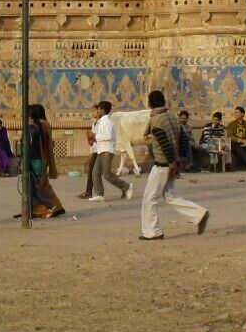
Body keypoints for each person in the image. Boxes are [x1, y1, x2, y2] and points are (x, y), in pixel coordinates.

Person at [136, 88, 208, 240]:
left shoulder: (155, 120)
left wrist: (171, 164)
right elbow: (183, 139)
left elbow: (164, 143)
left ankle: (152, 231)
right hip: (173, 162)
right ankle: (199, 214)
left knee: (150, 198)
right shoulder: (173, 117)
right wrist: (181, 159)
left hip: (163, 164)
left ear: (150, 103)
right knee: (169, 195)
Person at [20, 103, 67, 219]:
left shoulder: (37, 126)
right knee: (43, 185)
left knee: (37, 186)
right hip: (43, 157)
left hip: (38, 158)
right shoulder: (45, 125)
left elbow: (35, 145)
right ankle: (54, 207)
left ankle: (46, 208)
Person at [82, 99, 128, 200]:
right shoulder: (102, 121)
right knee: (95, 172)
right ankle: (99, 194)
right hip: (101, 149)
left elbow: (108, 136)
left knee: (107, 174)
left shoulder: (107, 121)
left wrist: (95, 135)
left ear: (102, 110)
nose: (97, 111)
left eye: (98, 109)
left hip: (107, 150)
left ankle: (125, 186)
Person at [228, 106, 246, 172]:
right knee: (239, 149)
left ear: (242, 114)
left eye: (238, 113)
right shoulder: (231, 124)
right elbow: (229, 136)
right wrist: (240, 140)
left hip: (244, 145)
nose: (236, 114)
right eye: (235, 113)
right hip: (234, 145)